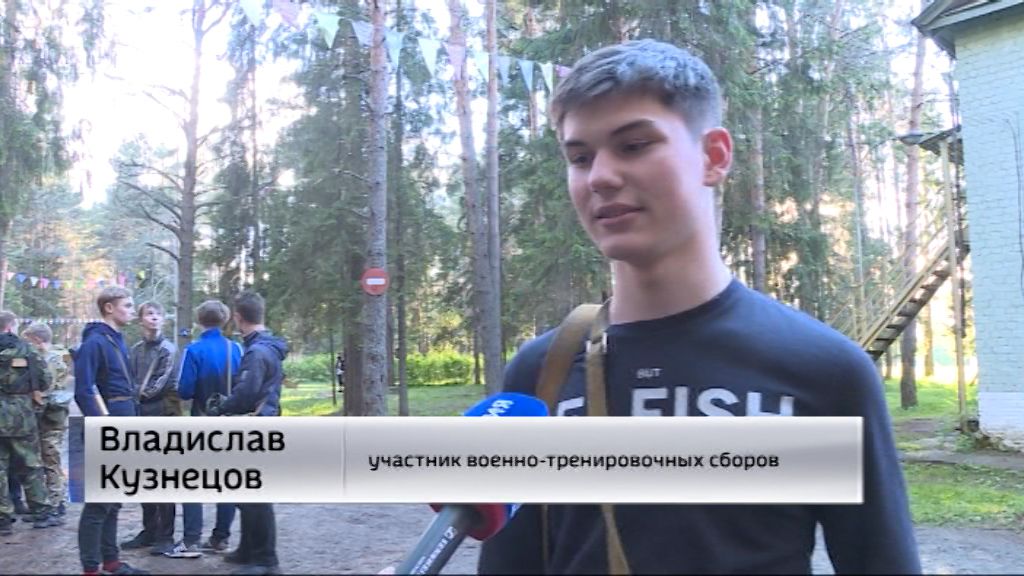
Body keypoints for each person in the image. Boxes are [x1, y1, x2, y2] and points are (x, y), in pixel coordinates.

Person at [477, 39, 921, 574]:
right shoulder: (538, 375)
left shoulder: (823, 370)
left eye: (634, 145)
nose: (600, 177)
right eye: (580, 157)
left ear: (714, 156)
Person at [206, 291, 286, 576]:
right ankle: (248, 549)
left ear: (238, 318)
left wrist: (222, 408)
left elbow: (247, 393)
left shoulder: (257, 352)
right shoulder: (264, 347)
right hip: (260, 423)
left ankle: (266, 560)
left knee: (255, 495)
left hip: (256, 426)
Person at [73, 287, 147, 575]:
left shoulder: (116, 340)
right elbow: (84, 390)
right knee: (99, 502)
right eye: (127, 305)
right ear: (108, 308)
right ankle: (91, 568)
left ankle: (111, 561)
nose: (132, 310)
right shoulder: (95, 342)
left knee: (114, 499)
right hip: (108, 427)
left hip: (125, 420)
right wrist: (103, 426)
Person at [174, 299, 242, 556]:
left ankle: (191, 539)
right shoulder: (236, 348)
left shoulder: (194, 350)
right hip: (231, 422)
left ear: (199, 321)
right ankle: (220, 537)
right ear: (225, 320)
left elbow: (184, 390)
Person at [120, 302, 178, 556]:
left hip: (162, 414)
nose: (154, 317)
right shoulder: (135, 350)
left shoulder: (168, 349)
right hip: (139, 414)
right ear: (141, 319)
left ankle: (166, 535)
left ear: (163, 319)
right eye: (149, 314)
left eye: (158, 314)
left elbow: (159, 384)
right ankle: (149, 530)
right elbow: (129, 377)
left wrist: (135, 395)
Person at [0, 311, 59, 535]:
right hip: (21, 415)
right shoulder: (27, 350)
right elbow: (45, 380)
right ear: (11, 327)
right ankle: (41, 512)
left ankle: (3, 519)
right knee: (31, 465)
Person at [21, 321, 73, 517]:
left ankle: (56, 503)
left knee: (51, 460)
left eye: (29, 341)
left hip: (50, 418)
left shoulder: (49, 360)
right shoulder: (52, 357)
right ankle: (51, 501)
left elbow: (45, 390)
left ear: (37, 340)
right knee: (47, 459)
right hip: (49, 417)